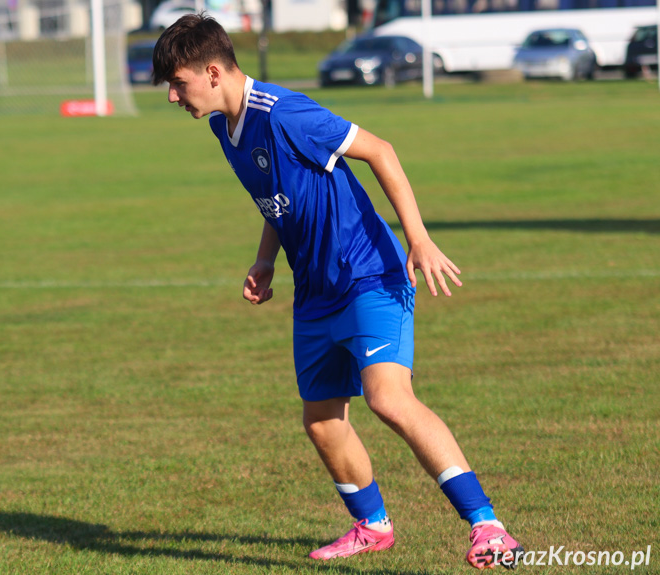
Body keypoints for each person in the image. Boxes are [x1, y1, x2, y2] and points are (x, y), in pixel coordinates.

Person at [151, 14, 524, 570]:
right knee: (323, 420)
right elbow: (277, 199)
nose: (174, 96)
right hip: (316, 290)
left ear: (211, 71)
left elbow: (382, 150)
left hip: (368, 274)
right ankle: (372, 526)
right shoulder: (223, 130)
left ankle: (490, 528)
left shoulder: (287, 114)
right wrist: (264, 260)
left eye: (178, 83)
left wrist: (418, 239)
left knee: (388, 400)